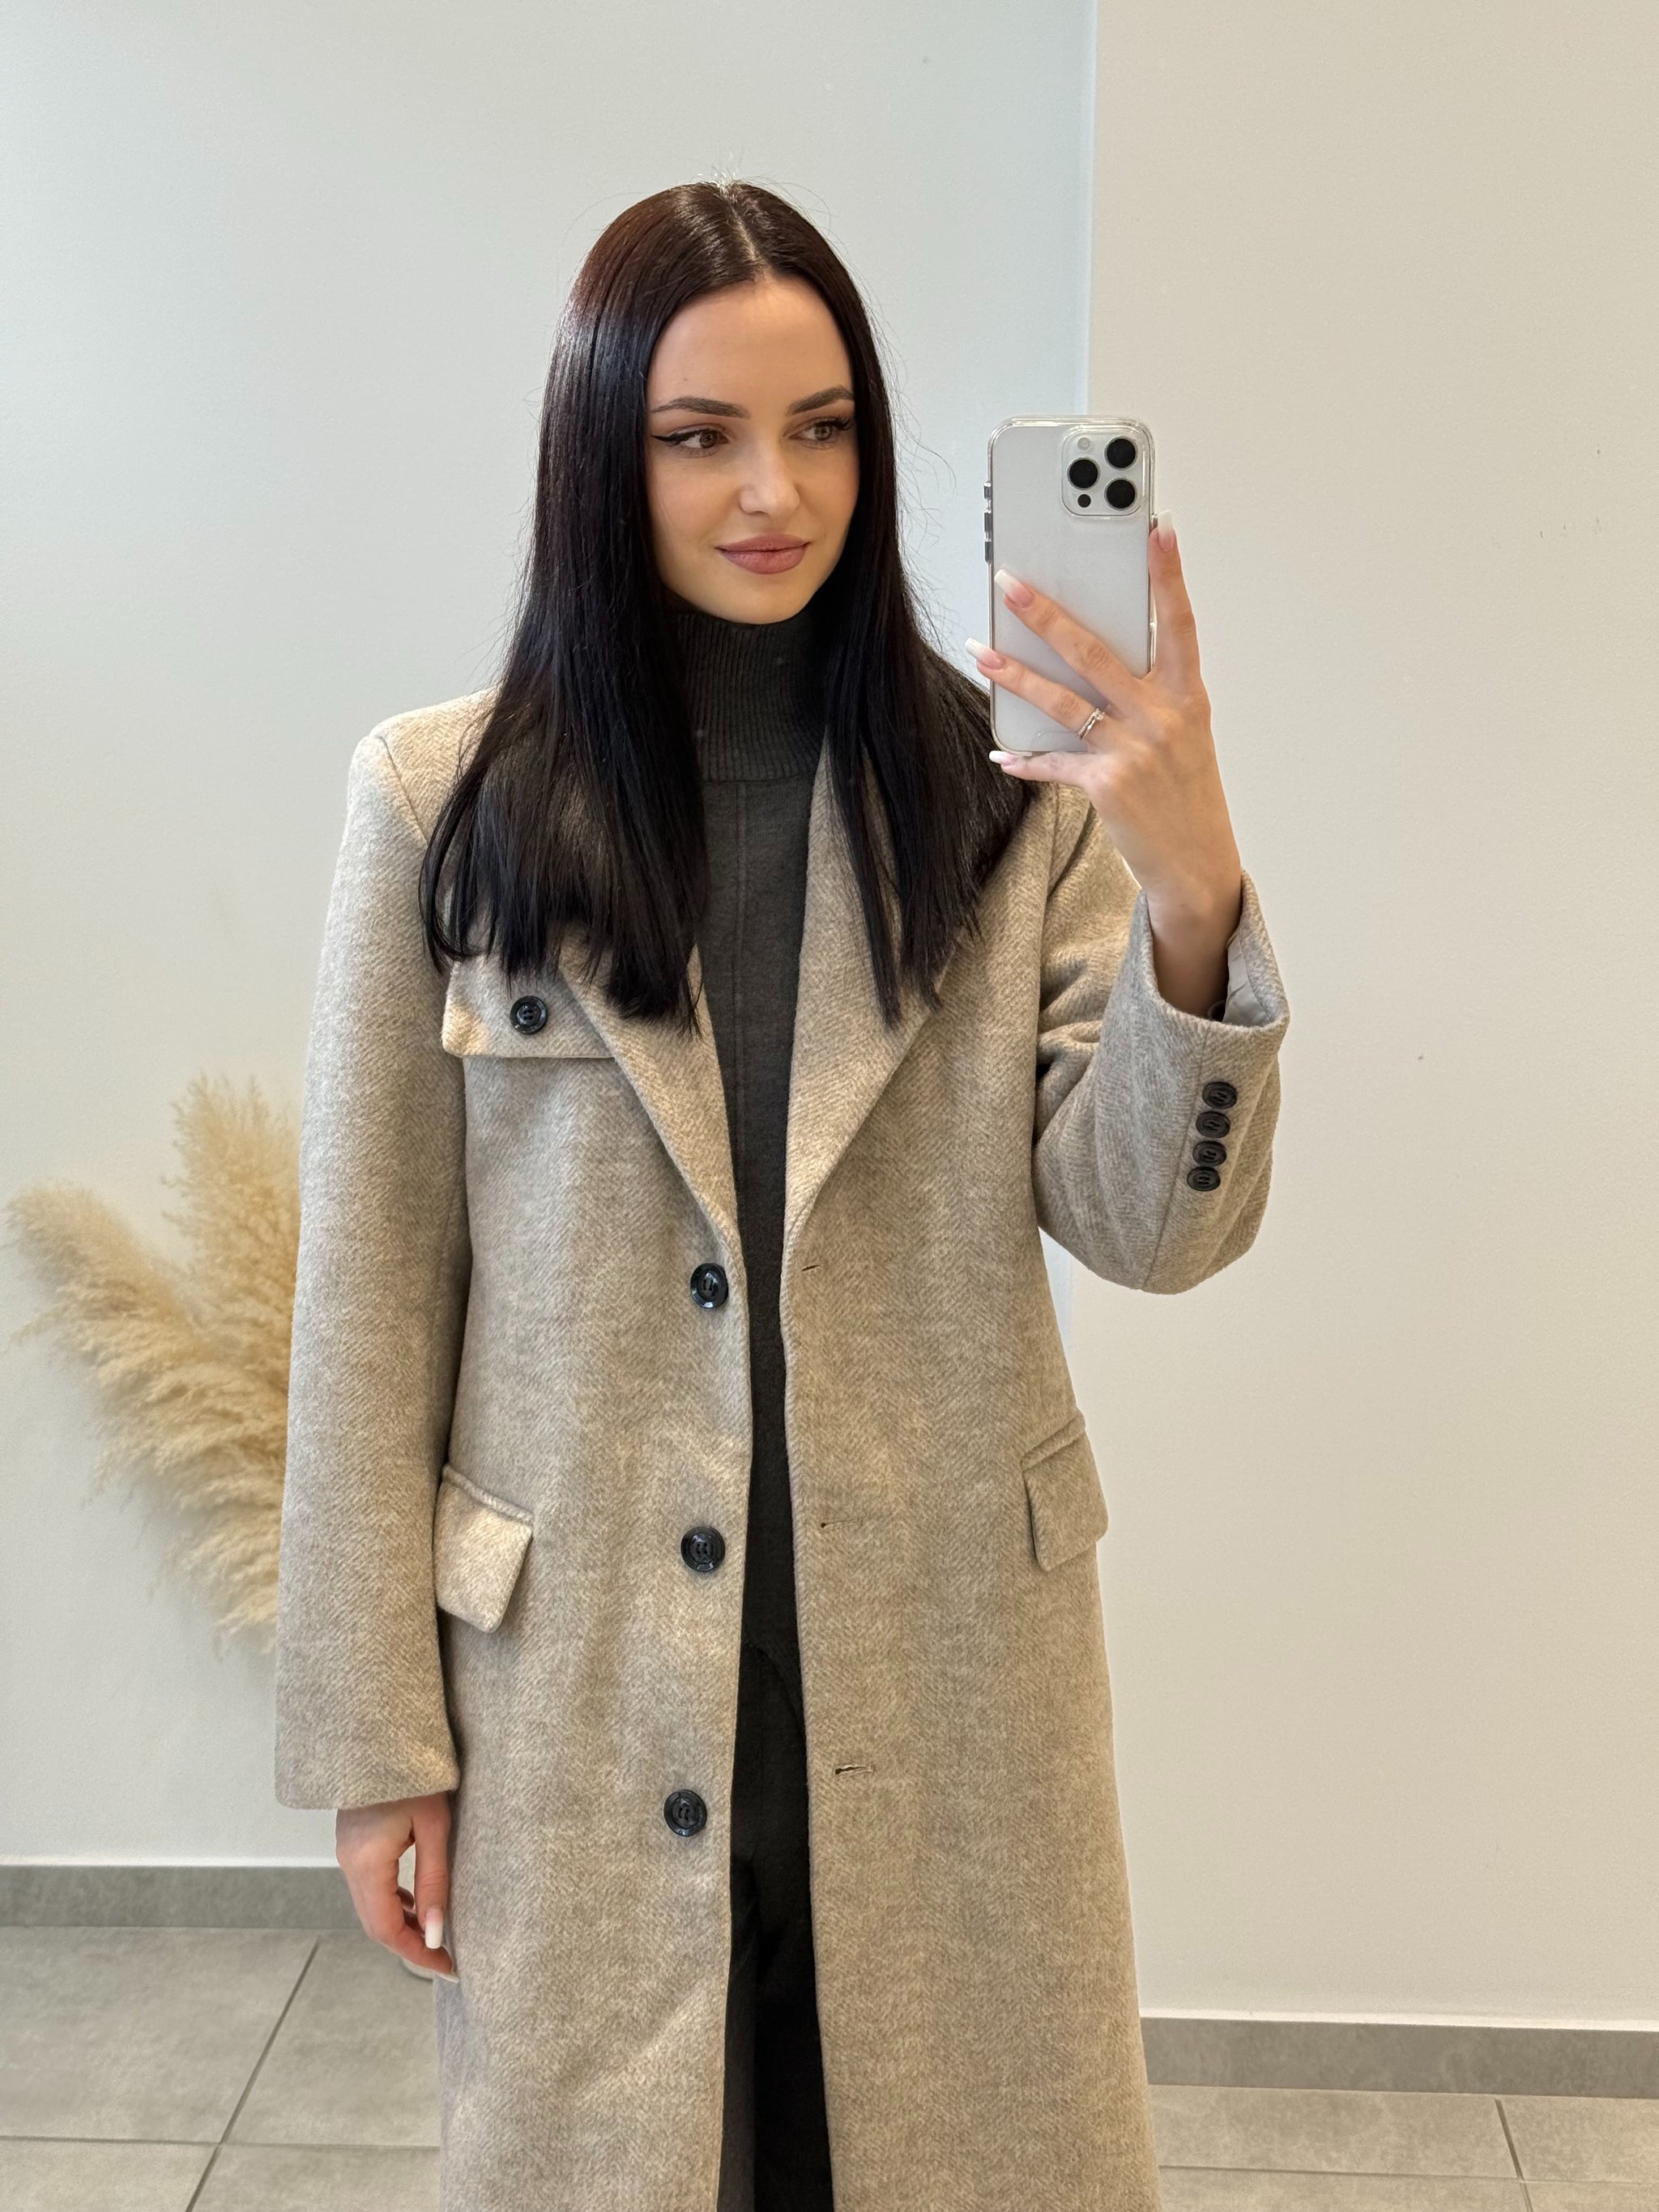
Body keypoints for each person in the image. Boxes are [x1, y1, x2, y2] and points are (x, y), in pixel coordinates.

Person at [273, 179, 1290, 2212]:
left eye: (822, 428)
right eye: (701, 435)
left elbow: (1154, 1225)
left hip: (940, 1675)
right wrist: (375, 1742)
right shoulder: (443, 807)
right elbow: (369, 1302)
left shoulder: (1003, 804)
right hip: (580, 1691)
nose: (774, 490)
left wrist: (1192, 883)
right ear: (602, 454)